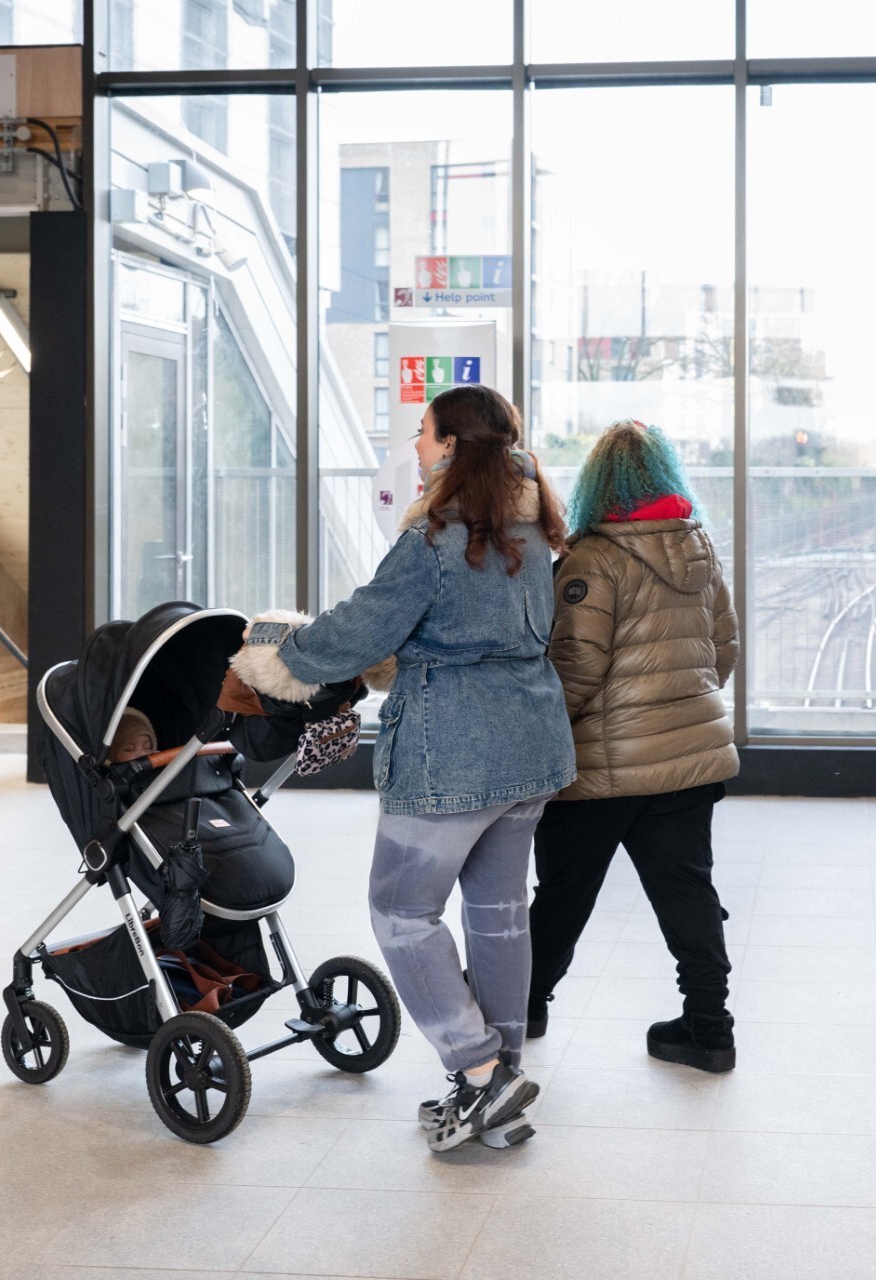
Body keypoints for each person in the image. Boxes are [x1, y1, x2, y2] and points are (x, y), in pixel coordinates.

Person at [231, 383, 575, 1152]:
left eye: (423, 434)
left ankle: (482, 1072)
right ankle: (499, 1083)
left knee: (399, 911)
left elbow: (355, 631)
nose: (416, 448)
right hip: (531, 746)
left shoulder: (436, 544)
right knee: (498, 915)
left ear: (452, 446)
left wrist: (273, 652)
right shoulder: (538, 535)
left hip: (450, 752)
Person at [527, 420, 740, 1072]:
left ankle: (523, 1009)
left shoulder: (593, 560)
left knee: (563, 896)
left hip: (599, 770)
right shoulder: (698, 546)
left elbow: (575, 671)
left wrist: (536, 744)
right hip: (688, 762)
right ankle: (709, 1030)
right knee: (689, 897)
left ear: (596, 483)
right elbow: (723, 651)